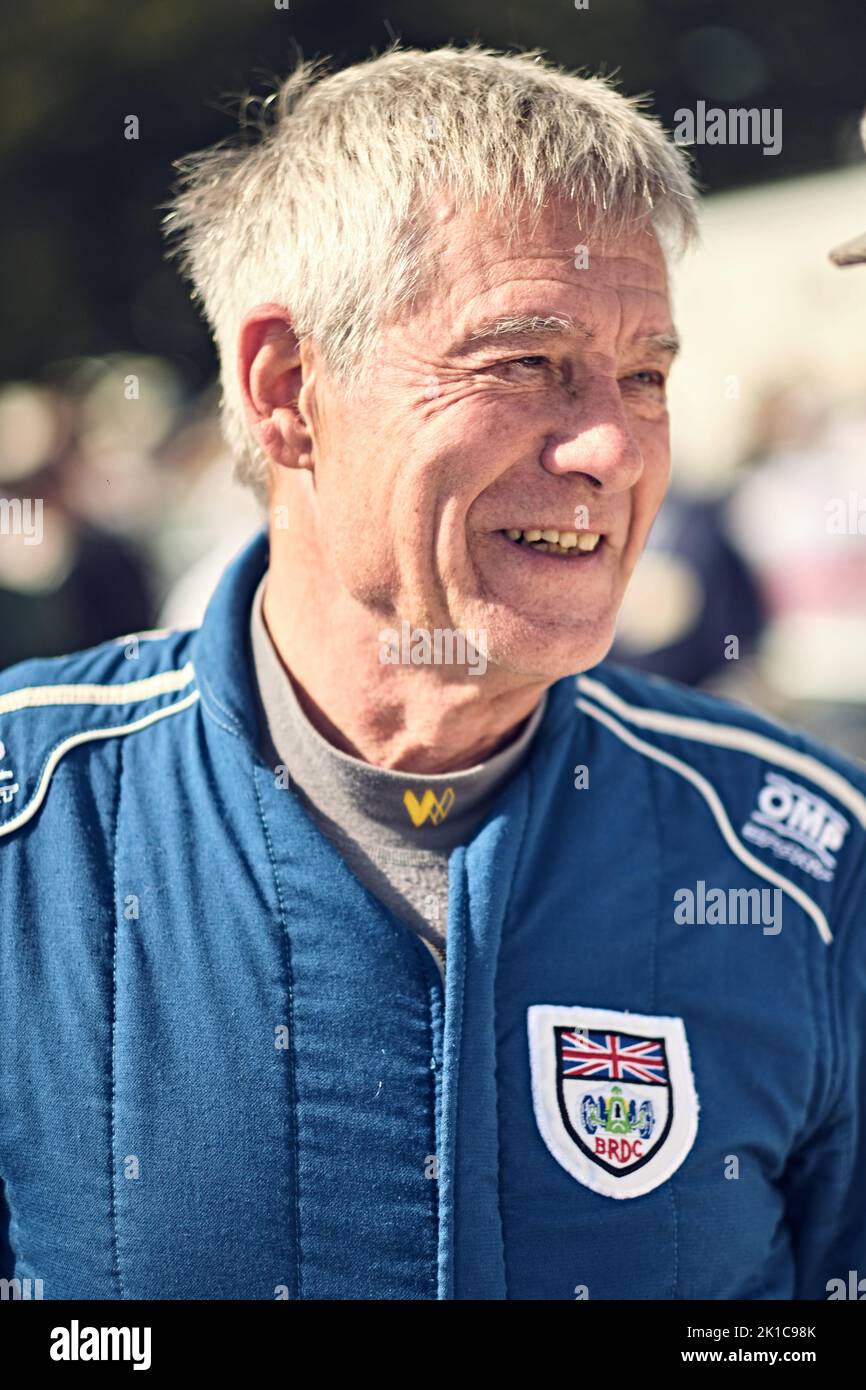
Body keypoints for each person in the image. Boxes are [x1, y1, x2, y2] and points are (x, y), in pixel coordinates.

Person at [1, 46, 863, 1302]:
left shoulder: (806, 862)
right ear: (289, 390)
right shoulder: (35, 827)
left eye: (645, 375)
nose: (610, 448)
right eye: (524, 362)